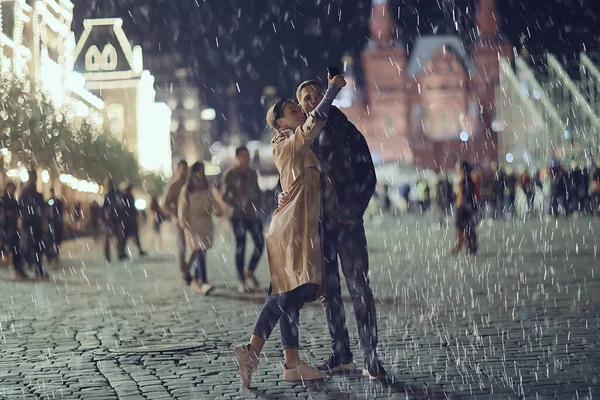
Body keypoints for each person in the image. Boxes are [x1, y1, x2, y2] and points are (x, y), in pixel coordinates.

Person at [234, 74, 345, 387]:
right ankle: (251, 350)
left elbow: (293, 180)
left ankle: (291, 364)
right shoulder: (284, 144)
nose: (299, 109)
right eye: (293, 109)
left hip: (304, 227)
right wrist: (331, 92)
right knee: (295, 291)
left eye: (299, 107)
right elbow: (310, 129)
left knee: (291, 292)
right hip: (290, 229)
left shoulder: (301, 148)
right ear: (280, 123)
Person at [274, 77, 386, 379]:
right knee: (330, 294)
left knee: (360, 289)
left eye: (316, 95)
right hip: (317, 227)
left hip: (347, 224)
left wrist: (352, 211)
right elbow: (284, 180)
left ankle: (370, 357)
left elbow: (368, 174)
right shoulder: (301, 139)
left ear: (326, 97)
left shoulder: (346, 130)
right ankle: (341, 354)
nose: (311, 101)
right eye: (305, 98)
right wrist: (279, 195)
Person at [221, 146, 264, 293]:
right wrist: (237, 203)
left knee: (260, 243)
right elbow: (224, 196)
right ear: (237, 157)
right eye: (244, 156)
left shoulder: (252, 173)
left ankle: (249, 271)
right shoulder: (230, 174)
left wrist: (258, 205)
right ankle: (241, 279)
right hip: (238, 215)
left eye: (248, 156)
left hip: (253, 215)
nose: (247, 159)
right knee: (241, 246)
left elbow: (257, 191)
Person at [178, 162, 223, 295]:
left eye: (202, 171)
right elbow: (183, 207)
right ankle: (203, 281)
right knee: (199, 251)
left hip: (205, 223)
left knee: (202, 252)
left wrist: (216, 210)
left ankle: (196, 279)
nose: (201, 174)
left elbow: (212, 201)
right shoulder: (187, 189)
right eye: (198, 171)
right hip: (193, 224)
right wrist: (183, 222)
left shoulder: (206, 187)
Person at [163, 160, 190, 284]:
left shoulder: (190, 183)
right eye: (182, 168)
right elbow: (165, 204)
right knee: (182, 246)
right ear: (177, 169)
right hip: (179, 220)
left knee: (196, 245)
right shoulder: (174, 186)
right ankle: (183, 272)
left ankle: (187, 269)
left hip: (191, 219)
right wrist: (175, 213)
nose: (184, 171)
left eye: (186, 168)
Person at [19, 170, 47, 278]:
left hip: (36, 224)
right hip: (28, 223)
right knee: (28, 247)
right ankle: (23, 267)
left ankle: (38, 269)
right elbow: (22, 207)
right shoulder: (26, 193)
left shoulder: (37, 194)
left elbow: (42, 209)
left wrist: (43, 222)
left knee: (37, 247)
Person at [450, 161, 478, 255]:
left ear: (462, 169)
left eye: (458, 168)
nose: (456, 169)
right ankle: (468, 248)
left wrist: (464, 206)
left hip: (463, 209)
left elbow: (466, 196)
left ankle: (465, 248)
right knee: (465, 229)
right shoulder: (466, 180)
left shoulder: (466, 181)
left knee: (464, 229)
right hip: (464, 208)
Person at [1, 181, 27, 279]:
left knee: (16, 249)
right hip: (5, 228)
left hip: (13, 228)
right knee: (9, 248)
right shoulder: (3, 200)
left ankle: (18, 269)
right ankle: (18, 268)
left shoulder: (13, 200)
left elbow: (19, 211)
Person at [102, 179, 126, 262]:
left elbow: (105, 208)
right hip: (112, 220)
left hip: (114, 219)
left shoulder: (114, 194)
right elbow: (105, 208)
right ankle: (118, 254)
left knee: (118, 238)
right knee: (115, 238)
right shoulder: (111, 195)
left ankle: (119, 254)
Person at [120, 183, 146, 257]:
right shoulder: (126, 196)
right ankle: (122, 252)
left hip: (129, 219)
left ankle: (123, 252)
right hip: (128, 220)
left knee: (128, 237)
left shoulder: (128, 196)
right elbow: (127, 208)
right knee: (126, 237)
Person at [46, 187, 65, 267]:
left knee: (57, 241)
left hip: (57, 225)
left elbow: (60, 213)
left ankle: (55, 256)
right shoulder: (50, 202)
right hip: (52, 224)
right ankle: (52, 257)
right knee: (51, 241)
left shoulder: (57, 202)